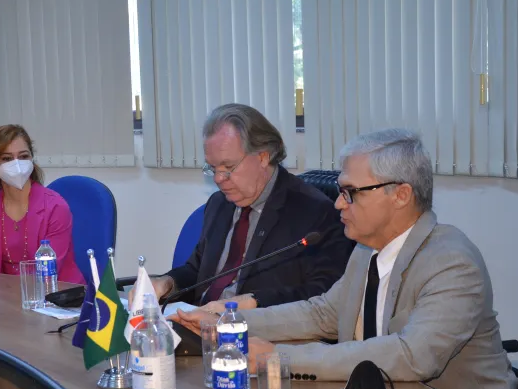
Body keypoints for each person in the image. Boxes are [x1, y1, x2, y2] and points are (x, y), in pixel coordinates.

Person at [171, 129, 518, 389]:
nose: (339, 204)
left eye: (351, 192)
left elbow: (412, 355)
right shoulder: (366, 250)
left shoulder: (451, 263)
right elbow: (322, 313)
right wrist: (228, 324)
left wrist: (278, 357)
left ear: (401, 195)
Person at [133, 103, 353, 311]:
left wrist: (253, 302)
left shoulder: (316, 213)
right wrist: (168, 283)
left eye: (228, 167)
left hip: (259, 331)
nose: (218, 179)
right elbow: (197, 272)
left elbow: (323, 296)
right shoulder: (219, 204)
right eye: (213, 168)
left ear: (263, 157)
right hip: (201, 325)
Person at [0, 125, 85, 284]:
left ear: (32, 160)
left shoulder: (55, 207)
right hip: (4, 294)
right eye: (7, 159)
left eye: (23, 156)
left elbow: (48, 273)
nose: (17, 164)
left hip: (56, 292)